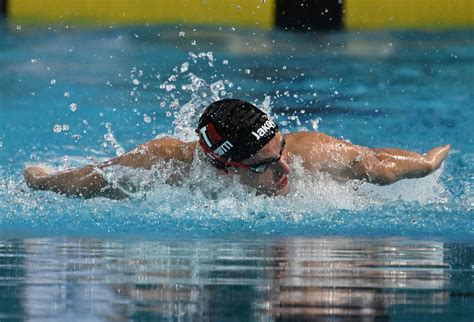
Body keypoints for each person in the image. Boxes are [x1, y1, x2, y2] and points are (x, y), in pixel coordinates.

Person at [24, 99, 450, 198]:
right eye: (266, 165)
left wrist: (428, 163)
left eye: (281, 149)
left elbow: (375, 162)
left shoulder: (310, 157)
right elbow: (94, 177)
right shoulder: (166, 167)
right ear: (223, 167)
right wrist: (42, 181)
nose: (286, 169)